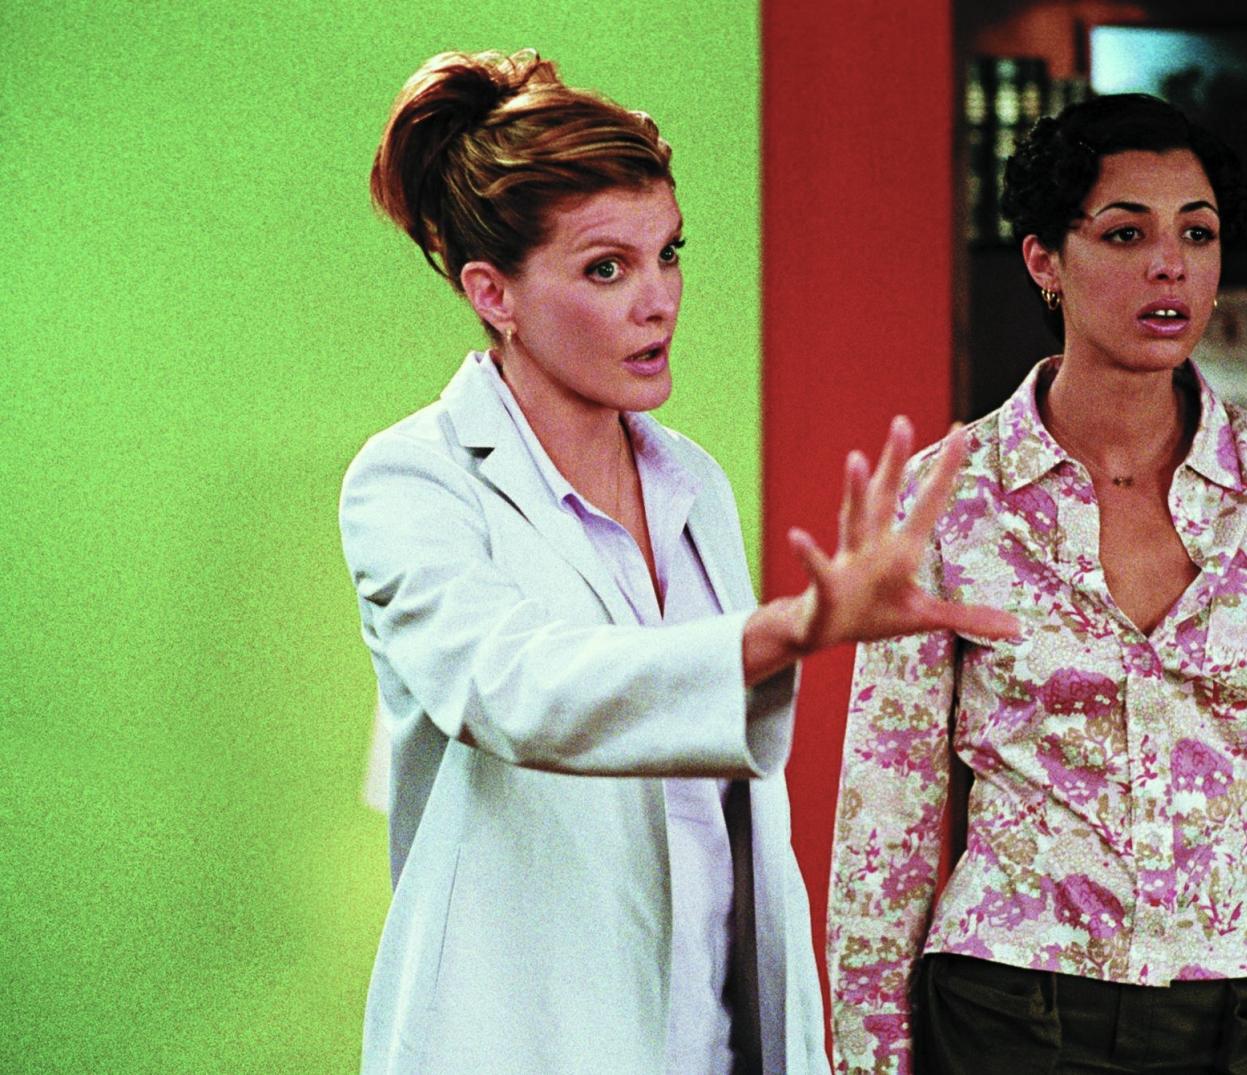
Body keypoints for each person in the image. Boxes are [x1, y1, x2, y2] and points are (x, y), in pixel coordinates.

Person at [341, 49, 1017, 1075]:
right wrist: (787, 630)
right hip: (530, 1040)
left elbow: (726, 815)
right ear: (494, 293)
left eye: (669, 253)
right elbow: (516, 688)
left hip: (715, 1033)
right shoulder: (413, 481)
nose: (658, 299)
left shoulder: (690, 479)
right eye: (607, 268)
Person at [827, 94, 1247, 1074]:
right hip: (1013, 1001)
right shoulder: (948, 493)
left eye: (1197, 233)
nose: (1169, 265)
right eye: (1126, 233)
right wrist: (865, 1049)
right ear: (1043, 260)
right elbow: (889, 799)